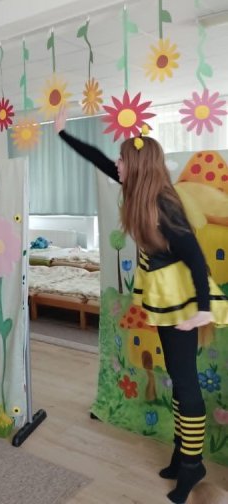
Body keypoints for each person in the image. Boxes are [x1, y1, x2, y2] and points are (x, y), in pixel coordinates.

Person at [54, 107, 228, 504]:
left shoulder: (164, 205)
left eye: (122, 159)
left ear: (136, 165)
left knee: (186, 382)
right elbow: (98, 159)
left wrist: (203, 310)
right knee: (178, 378)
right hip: (166, 298)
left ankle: (193, 465)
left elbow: (195, 256)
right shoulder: (138, 190)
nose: (116, 164)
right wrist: (63, 133)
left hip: (182, 302)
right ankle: (182, 454)